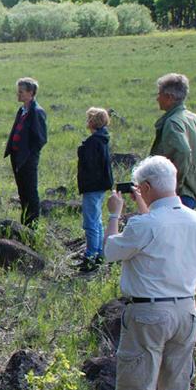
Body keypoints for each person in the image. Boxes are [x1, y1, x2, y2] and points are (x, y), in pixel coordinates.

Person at [104, 156, 196, 390]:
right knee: (176, 389)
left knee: (140, 389)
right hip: (186, 310)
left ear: (143, 188)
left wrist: (115, 214)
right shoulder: (194, 219)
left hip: (148, 313)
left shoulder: (143, 225)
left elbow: (112, 250)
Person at [149, 72, 196, 208]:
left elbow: (182, 151)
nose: (157, 98)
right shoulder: (193, 118)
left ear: (169, 97)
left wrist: (174, 185)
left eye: (159, 94)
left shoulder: (173, 122)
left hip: (181, 194)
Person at [4, 77, 47, 227]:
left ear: (31, 93)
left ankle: (32, 226)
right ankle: (25, 223)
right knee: (22, 191)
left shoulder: (37, 112)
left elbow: (40, 139)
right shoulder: (22, 110)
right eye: (18, 91)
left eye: (21, 92)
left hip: (27, 158)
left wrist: (28, 154)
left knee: (30, 192)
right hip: (17, 157)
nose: (18, 94)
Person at [76, 108, 114, 272]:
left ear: (92, 122)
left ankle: (90, 257)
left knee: (90, 222)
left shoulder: (93, 142)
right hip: (100, 186)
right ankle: (98, 253)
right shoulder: (103, 138)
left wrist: (81, 150)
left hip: (92, 186)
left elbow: (89, 165)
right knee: (96, 220)